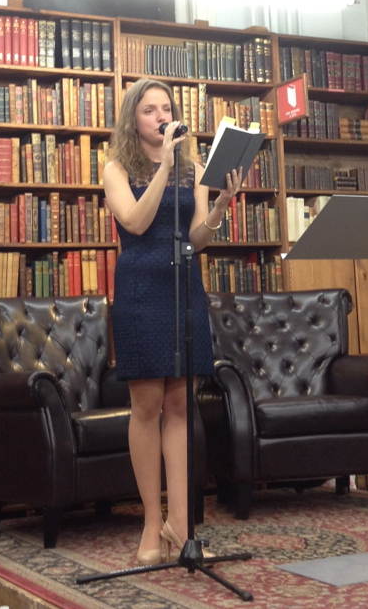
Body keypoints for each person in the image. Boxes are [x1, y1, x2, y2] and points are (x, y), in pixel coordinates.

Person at [103, 78, 242, 565]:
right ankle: (148, 521)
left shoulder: (195, 167)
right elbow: (136, 223)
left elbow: (198, 237)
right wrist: (163, 167)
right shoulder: (116, 168)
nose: (160, 116)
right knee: (147, 406)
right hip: (141, 290)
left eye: (166, 108)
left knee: (181, 405)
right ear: (132, 119)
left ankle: (179, 525)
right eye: (149, 110)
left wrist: (221, 204)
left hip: (185, 288)